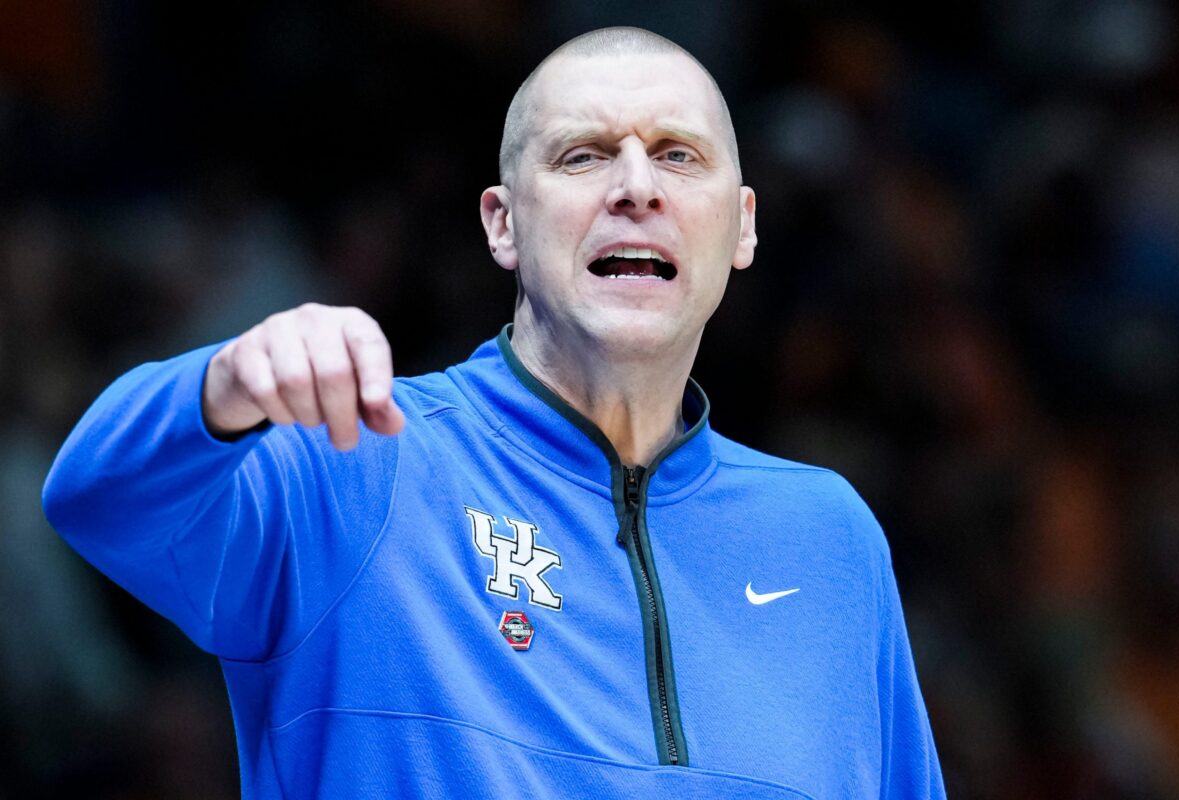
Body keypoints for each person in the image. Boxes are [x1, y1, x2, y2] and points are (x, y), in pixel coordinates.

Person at [43, 26, 945, 800]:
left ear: (742, 225)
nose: (637, 187)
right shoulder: (361, 456)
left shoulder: (830, 539)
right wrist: (224, 388)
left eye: (679, 155)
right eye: (583, 155)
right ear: (502, 224)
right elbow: (98, 499)